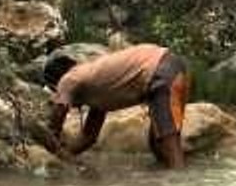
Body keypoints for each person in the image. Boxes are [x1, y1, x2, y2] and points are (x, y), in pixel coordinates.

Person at [43, 43, 191, 169]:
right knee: (157, 146)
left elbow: (59, 109)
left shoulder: (68, 78)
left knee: (170, 149)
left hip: (159, 72)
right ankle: (172, 185)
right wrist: (64, 154)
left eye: (54, 93)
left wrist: (50, 137)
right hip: (172, 67)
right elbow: (88, 138)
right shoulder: (96, 90)